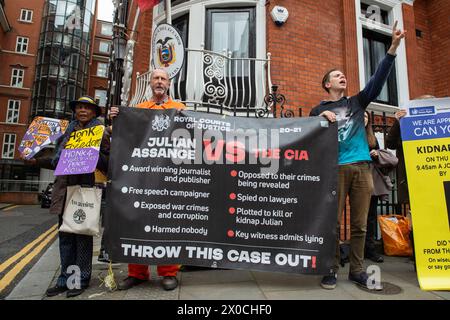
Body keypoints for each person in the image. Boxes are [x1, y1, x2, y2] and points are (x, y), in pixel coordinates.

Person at [309, 21, 405, 290]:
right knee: (332, 223)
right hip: (335, 170)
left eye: (344, 75)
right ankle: (330, 269)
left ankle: (357, 269)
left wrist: (393, 47)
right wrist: (320, 120)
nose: (343, 77)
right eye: (337, 75)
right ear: (327, 84)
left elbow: (378, 80)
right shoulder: (318, 109)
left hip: (362, 168)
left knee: (361, 224)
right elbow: (308, 138)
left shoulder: (356, 103)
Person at [22, 96, 110, 298]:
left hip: (84, 189)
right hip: (64, 190)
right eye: (79, 107)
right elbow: (56, 161)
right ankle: (65, 279)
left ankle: (80, 280)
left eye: (87, 108)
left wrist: (94, 154)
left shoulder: (100, 133)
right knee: (66, 238)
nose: (82, 111)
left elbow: (109, 163)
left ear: (94, 112)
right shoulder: (66, 132)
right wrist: (35, 161)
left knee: (82, 237)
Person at [110, 68, 184, 291]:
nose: (160, 82)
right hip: (141, 177)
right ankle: (137, 273)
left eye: (163, 79)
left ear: (169, 84)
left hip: (167, 177)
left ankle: (169, 272)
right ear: (151, 83)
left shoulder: (179, 109)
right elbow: (125, 139)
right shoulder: (138, 110)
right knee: (136, 220)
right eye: (156, 78)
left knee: (166, 223)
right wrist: (117, 118)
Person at [364, 111, 384, 263]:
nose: (363, 119)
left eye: (366, 117)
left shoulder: (372, 137)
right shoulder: (350, 133)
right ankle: (358, 249)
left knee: (371, 216)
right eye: (361, 116)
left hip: (371, 177)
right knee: (358, 217)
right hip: (356, 176)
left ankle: (370, 249)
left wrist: (376, 153)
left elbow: (379, 156)